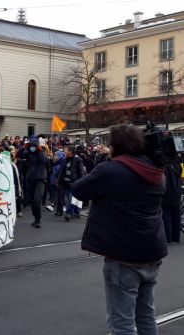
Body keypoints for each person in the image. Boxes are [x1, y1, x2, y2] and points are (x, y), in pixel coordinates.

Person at [71, 125, 168, 335]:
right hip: (152, 251)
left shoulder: (111, 170)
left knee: (122, 324)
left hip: (124, 255)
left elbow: (78, 190)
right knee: (146, 316)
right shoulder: (156, 172)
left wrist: (108, 162)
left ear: (116, 147)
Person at [21, 136, 47, 228]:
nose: (32, 147)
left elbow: (44, 160)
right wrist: (24, 147)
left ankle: (38, 219)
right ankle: (36, 218)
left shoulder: (41, 153)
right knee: (32, 200)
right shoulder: (28, 152)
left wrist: (39, 150)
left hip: (40, 179)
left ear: (37, 146)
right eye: (31, 145)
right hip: (30, 179)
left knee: (37, 200)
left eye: (33, 145)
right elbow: (20, 154)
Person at [58, 145, 85, 221]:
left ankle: (69, 213)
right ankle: (76, 212)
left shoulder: (78, 160)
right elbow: (62, 170)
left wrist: (81, 181)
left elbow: (81, 171)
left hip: (74, 182)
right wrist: (59, 179)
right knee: (73, 198)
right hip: (65, 182)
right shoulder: (65, 159)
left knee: (70, 198)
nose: (65, 152)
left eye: (66, 150)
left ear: (71, 152)